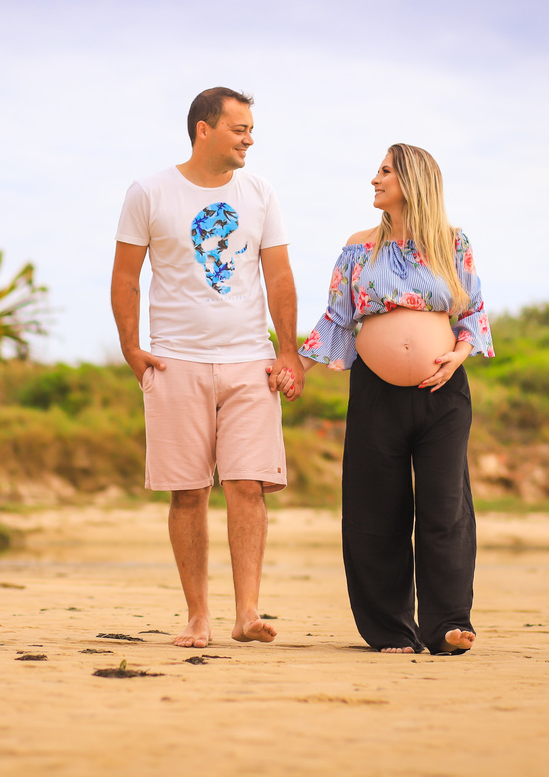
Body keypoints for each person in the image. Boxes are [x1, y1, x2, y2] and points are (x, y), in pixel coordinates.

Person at [277, 143, 494, 655]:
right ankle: (390, 628)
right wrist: (296, 367)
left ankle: (446, 625)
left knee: (445, 508)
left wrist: (458, 356)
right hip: (376, 394)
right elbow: (337, 318)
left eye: (385, 171)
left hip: (442, 394)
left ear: (412, 181)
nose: (374, 180)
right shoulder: (358, 247)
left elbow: (472, 313)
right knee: (377, 511)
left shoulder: (452, 243)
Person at [110, 87, 304, 648]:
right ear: (203, 129)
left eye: (251, 130)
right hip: (175, 362)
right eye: (239, 128)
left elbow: (280, 277)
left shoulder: (260, 192)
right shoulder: (149, 192)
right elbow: (126, 276)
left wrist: (286, 349)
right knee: (188, 492)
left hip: (249, 361)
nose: (249, 139)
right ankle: (198, 617)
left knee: (248, 486)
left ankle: (247, 615)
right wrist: (132, 346)